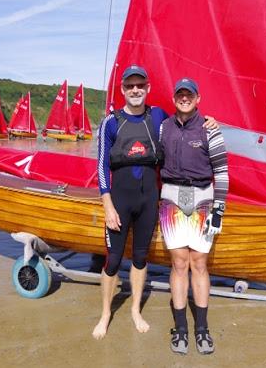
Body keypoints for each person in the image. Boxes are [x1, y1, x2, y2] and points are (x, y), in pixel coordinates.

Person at [93, 65, 217, 340]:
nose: (135, 90)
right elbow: (102, 165)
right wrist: (107, 205)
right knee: (112, 261)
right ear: (123, 90)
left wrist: (210, 121)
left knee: (140, 258)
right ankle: (105, 314)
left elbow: (185, 123)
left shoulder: (158, 117)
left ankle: (136, 310)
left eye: (140, 85)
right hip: (120, 202)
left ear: (148, 88)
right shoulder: (111, 122)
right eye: (129, 86)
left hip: (149, 202)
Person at [159, 78, 228, 355]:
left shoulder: (211, 130)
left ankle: (201, 329)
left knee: (199, 263)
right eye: (180, 94)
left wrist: (219, 210)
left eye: (189, 94)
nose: (184, 98)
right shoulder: (163, 127)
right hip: (171, 198)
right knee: (178, 263)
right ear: (175, 98)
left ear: (198, 98)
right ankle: (181, 329)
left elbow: (222, 173)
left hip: (202, 198)